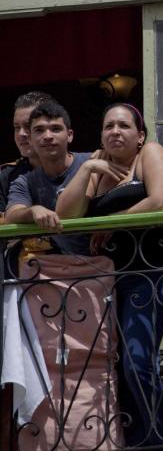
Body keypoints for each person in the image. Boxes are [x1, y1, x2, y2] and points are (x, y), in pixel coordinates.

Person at [55, 103, 163, 449]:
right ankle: (134, 441)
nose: (115, 132)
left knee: (138, 364)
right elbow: (66, 214)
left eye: (124, 126)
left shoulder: (149, 154)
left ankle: (161, 443)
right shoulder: (96, 165)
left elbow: (159, 201)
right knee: (114, 370)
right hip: (102, 286)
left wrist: (112, 224)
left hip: (147, 278)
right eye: (108, 126)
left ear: (140, 136)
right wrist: (90, 166)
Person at [5, 101, 122, 450]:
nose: (47, 136)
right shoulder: (26, 180)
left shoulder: (92, 163)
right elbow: (13, 213)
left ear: (69, 134)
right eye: (39, 130)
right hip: (50, 294)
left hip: (96, 284)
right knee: (47, 370)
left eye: (55, 129)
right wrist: (34, 210)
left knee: (99, 365)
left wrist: (89, 172)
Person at [1, 91, 53, 446]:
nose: (22, 135)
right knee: (12, 377)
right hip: (15, 284)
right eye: (17, 127)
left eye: (29, 126)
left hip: (65, 284)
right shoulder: (7, 176)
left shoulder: (73, 168)